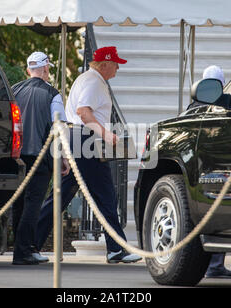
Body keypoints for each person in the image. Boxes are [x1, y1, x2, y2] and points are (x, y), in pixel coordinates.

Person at [35, 46, 142, 264]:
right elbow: (84, 112)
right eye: (115, 64)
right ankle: (116, 249)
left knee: (61, 197)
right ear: (104, 64)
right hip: (87, 141)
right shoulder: (94, 82)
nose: (118, 68)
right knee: (105, 196)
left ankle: (30, 243)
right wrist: (106, 135)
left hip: (77, 139)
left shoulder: (87, 79)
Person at [11, 51, 70, 265]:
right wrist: (63, 157)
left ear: (28, 70)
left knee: (18, 203)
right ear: (45, 69)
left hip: (16, 156)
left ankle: (21, 249)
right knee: (33, 203)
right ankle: (24, 251)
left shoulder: (14, 90)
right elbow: (59, 127)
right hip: (41, 156)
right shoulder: (52, 94)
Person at [200, 65, 231, 279]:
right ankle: (214, 265)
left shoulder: (194, 105)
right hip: (219, 169)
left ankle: (208, 265)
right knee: (217, 218)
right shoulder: (227, 103)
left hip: (203, 171)